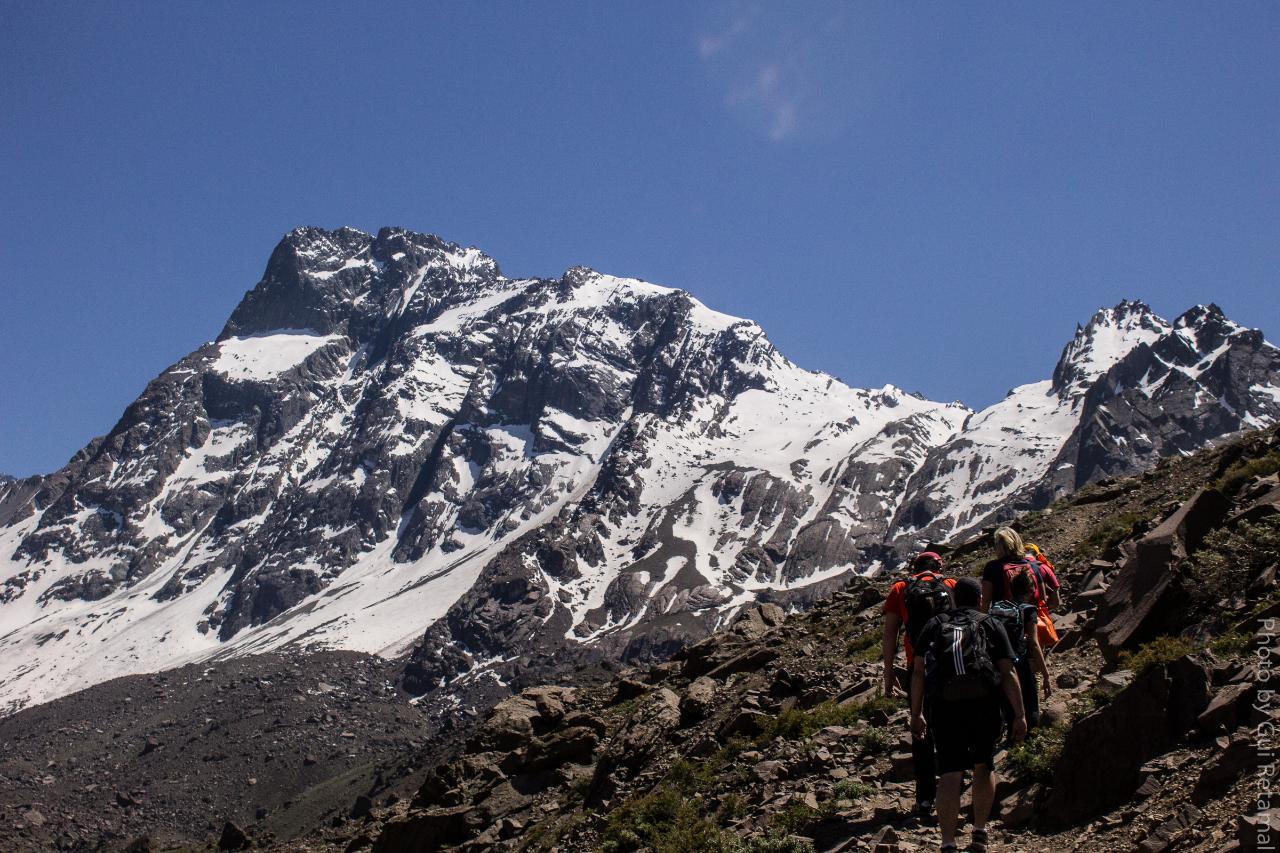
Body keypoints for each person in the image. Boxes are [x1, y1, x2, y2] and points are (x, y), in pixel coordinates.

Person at [910, 577, 1027, 853]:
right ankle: (979, 832)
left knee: (950, 772)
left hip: (944, 705)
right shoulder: (989, 623)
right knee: (983, 765)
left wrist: (916, 714)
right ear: (978, 599)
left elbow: (917, 672)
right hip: (984, 703)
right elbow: (1008, 672)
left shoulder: (935, 625)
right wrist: (1019, 714)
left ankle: (948, 842)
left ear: (952, 598)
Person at [882, 551, 958, 817]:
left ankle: (924, 799)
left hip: (918, 668)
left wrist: (888, 674)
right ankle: (954, 791)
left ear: (914, 568)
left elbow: (890, 634)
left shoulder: (901, 588)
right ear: (939, 566)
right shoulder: (950, 585)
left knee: (921, 731)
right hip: (952, 665)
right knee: (951, 729)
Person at [989, 565, 1052, 737]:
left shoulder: (996, 607)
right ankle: (1029, 747)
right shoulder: (1028, 610)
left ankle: (1013, 743)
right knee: (1030, 705)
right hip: (1020, 664)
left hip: (997, 666)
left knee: (1009, 708)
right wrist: (1046, 675)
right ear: (1031, 590)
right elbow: (1033, 643)